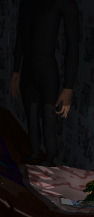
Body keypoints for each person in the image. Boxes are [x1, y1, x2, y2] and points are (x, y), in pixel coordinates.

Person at [11, 0, 80, 164]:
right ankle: (35, 154)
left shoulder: (63, 2)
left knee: (49, 125)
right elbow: (21, 35)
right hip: (27, 71)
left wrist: (68, 87)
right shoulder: (25, 2)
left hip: (47, 73)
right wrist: (16, 71)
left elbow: (73, 45)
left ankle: (49, 162)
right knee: (32, 121)